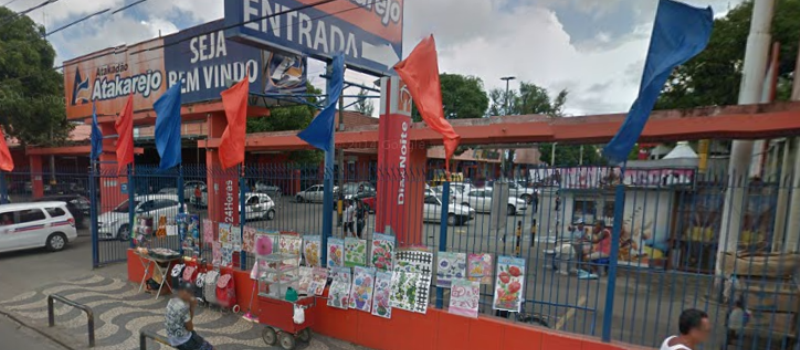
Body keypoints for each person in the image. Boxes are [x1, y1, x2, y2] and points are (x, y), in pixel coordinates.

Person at [165, 283, 214, 350]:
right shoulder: (183, 306)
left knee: (195, 335)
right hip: (183, 340)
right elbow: (190, 328)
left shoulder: (172, 300)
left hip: (172, 337)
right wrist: (192, 307)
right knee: (210, 348)